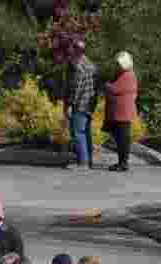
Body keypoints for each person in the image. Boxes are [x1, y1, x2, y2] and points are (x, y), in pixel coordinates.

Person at [64, 40, 99, 171]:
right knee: (86, 132)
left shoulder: (78, 66)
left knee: (78, 133)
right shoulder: (90, 64)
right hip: (89, 104)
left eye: (72, 50)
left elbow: (75, 89)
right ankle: (88, 160)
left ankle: (82, 163)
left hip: (80, 104)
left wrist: (69, 105)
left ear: (75, 51)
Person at [104, 51, 138, 172]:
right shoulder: (124, 74)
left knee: (123, 139)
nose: (117, 66)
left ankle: (123, 163)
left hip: (123, 113)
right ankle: (121, 162)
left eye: (118, 64)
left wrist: (107, 85)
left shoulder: (128, 75)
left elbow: (115, 89)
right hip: (120, 112)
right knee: (120, 139)